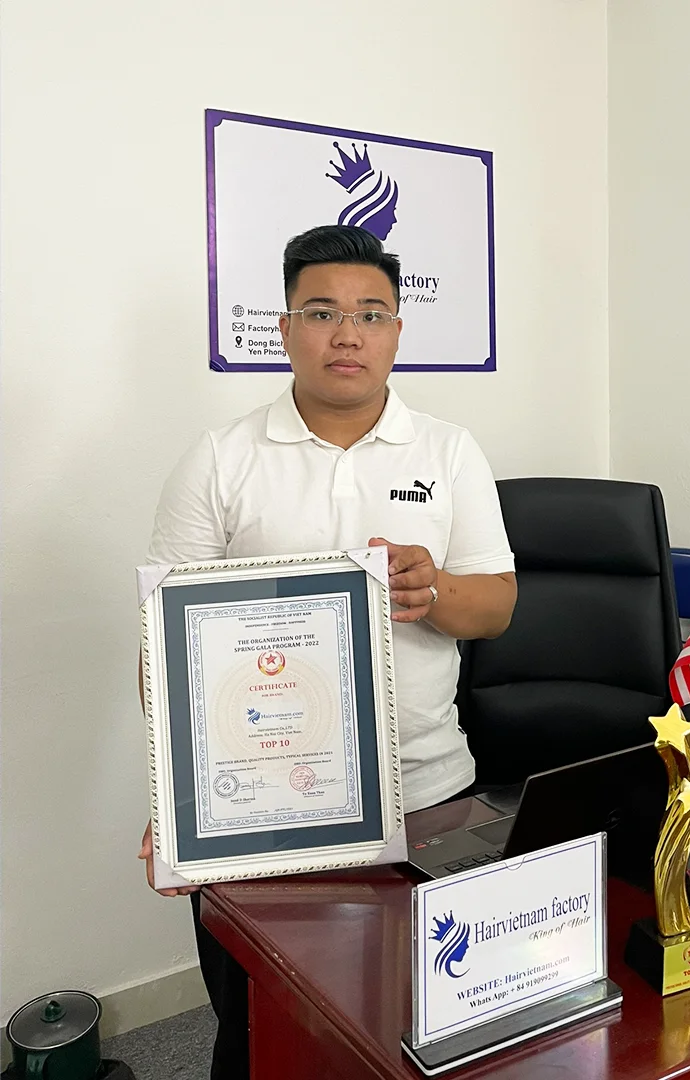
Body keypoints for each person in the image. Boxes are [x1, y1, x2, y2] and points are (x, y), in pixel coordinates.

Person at [137, 224, 517, 1078]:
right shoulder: (219, 460)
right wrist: (180, 798)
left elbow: (496, 606)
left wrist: (434, 591)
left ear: (397, 332)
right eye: (322, 312)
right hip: (262, 815)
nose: (348, 334)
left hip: (429, 793)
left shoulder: (449, 451)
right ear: (284, 329)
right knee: (263, 1036)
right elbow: (166, 649)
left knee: (424, 1022)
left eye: (370, 314)